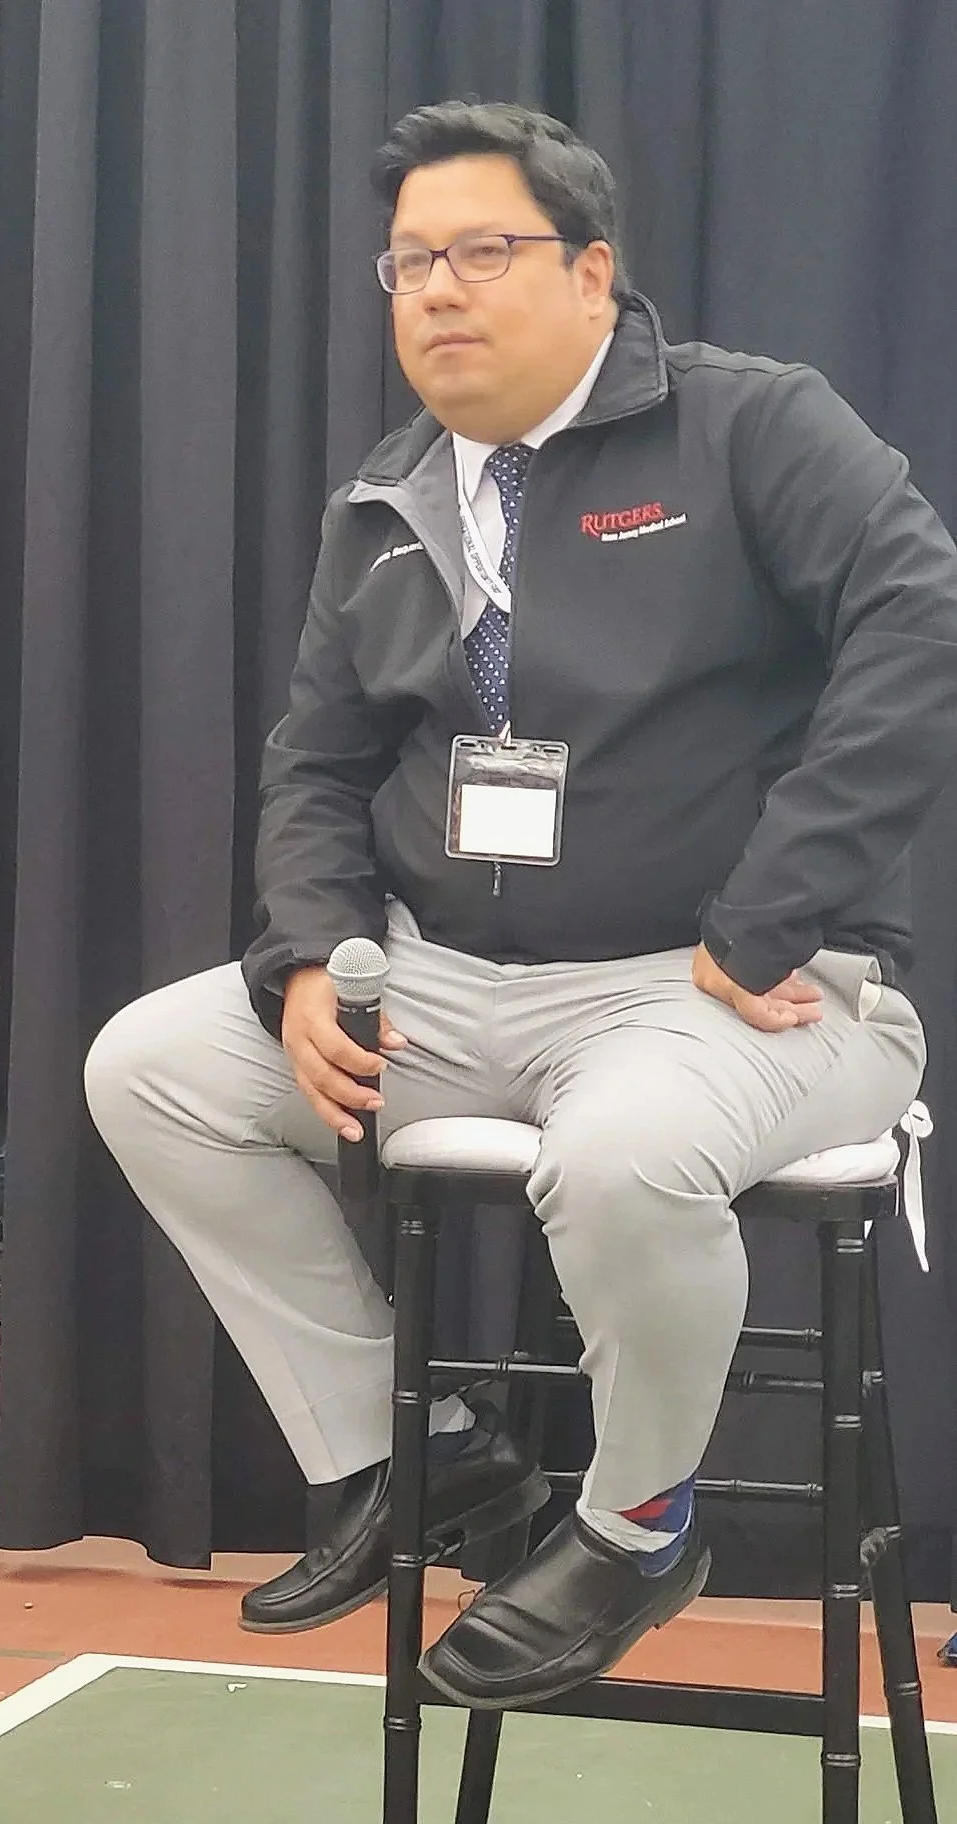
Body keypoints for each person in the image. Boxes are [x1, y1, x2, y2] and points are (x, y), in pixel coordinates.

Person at [83, 102, 957, 1710]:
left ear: (594, 272)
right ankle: (408, 1458)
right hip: (449, 986)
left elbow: (924, 622)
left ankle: (637, 1523)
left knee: (623, 1154)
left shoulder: (749, 427)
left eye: (482, 252)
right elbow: (316, 764)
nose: (438, 291)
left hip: (735, 993)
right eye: (409, 262)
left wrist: (767, 915)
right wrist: (303, 963)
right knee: (154, 1065)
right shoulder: (392, 497)